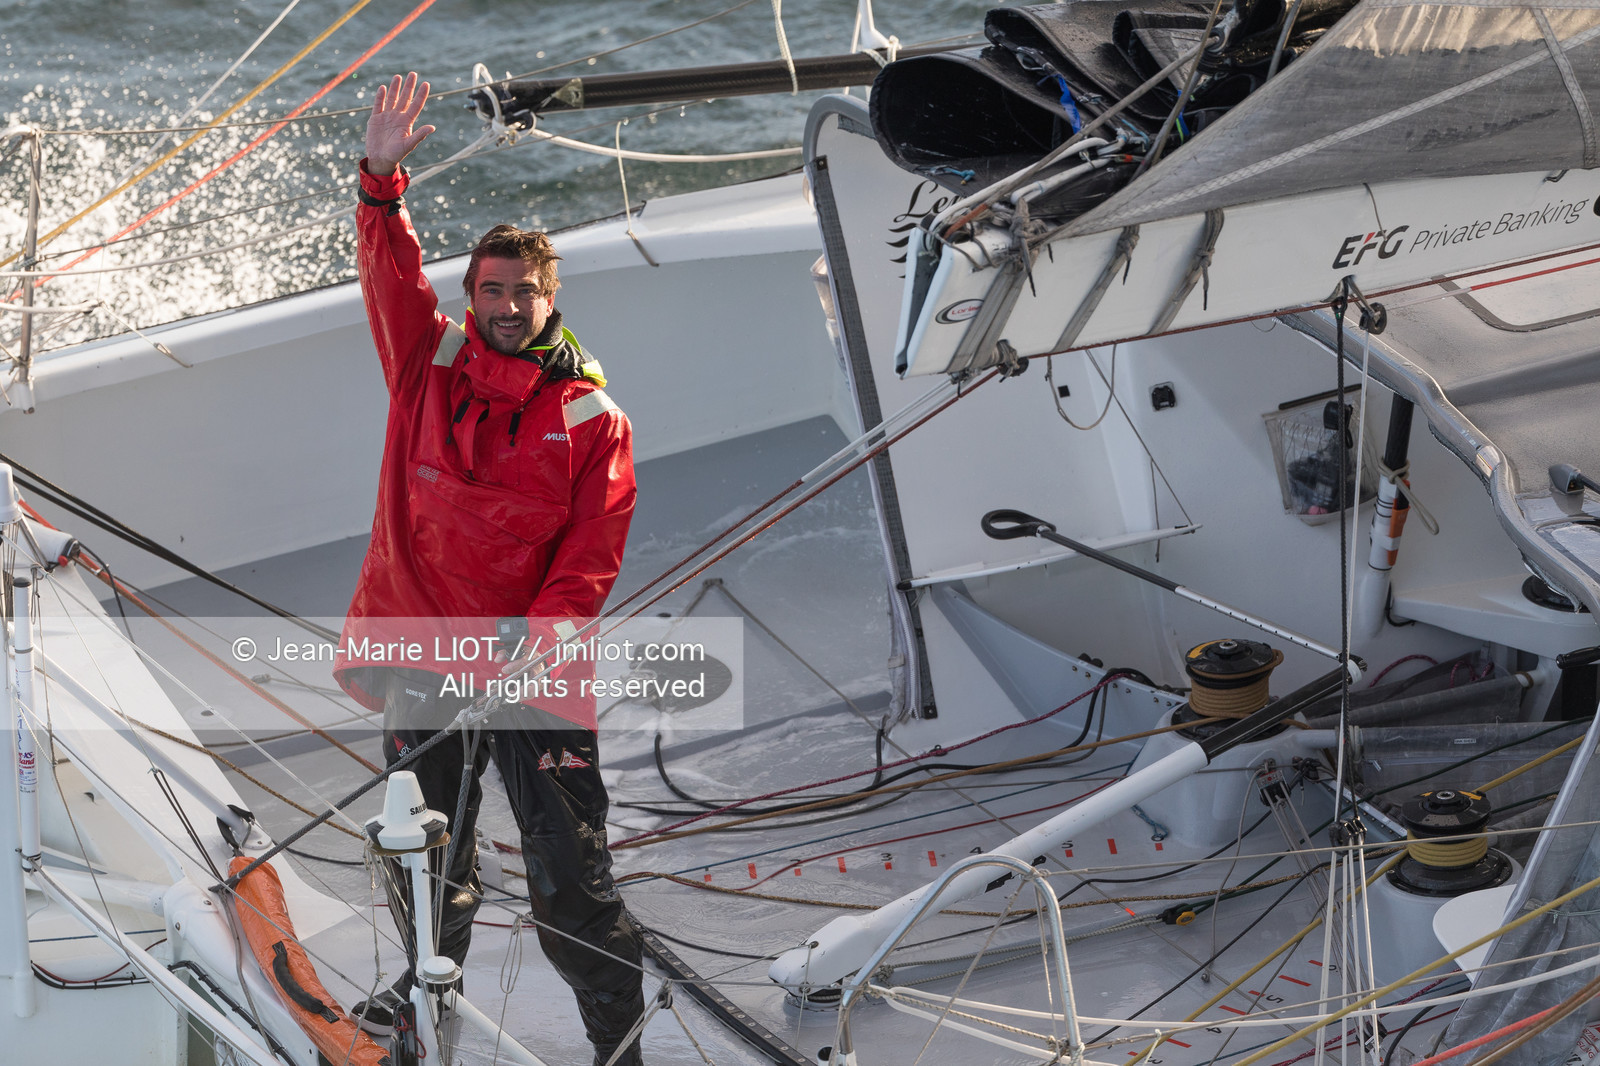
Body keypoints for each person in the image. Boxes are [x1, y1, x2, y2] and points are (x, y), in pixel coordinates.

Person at [332, 72, 645, 1066]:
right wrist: (381, 180)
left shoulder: (595, 422)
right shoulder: (422, 366)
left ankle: (619, 1043)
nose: (509, 306)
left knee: (571, 885)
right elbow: (390, 274)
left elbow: (586, 563)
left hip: (531, 676)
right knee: (422, 854)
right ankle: (427, 992)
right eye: (493, 291)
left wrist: (533, 647)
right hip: (424, 652)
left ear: (555, 297)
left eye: (527, 291)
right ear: (474, 299)